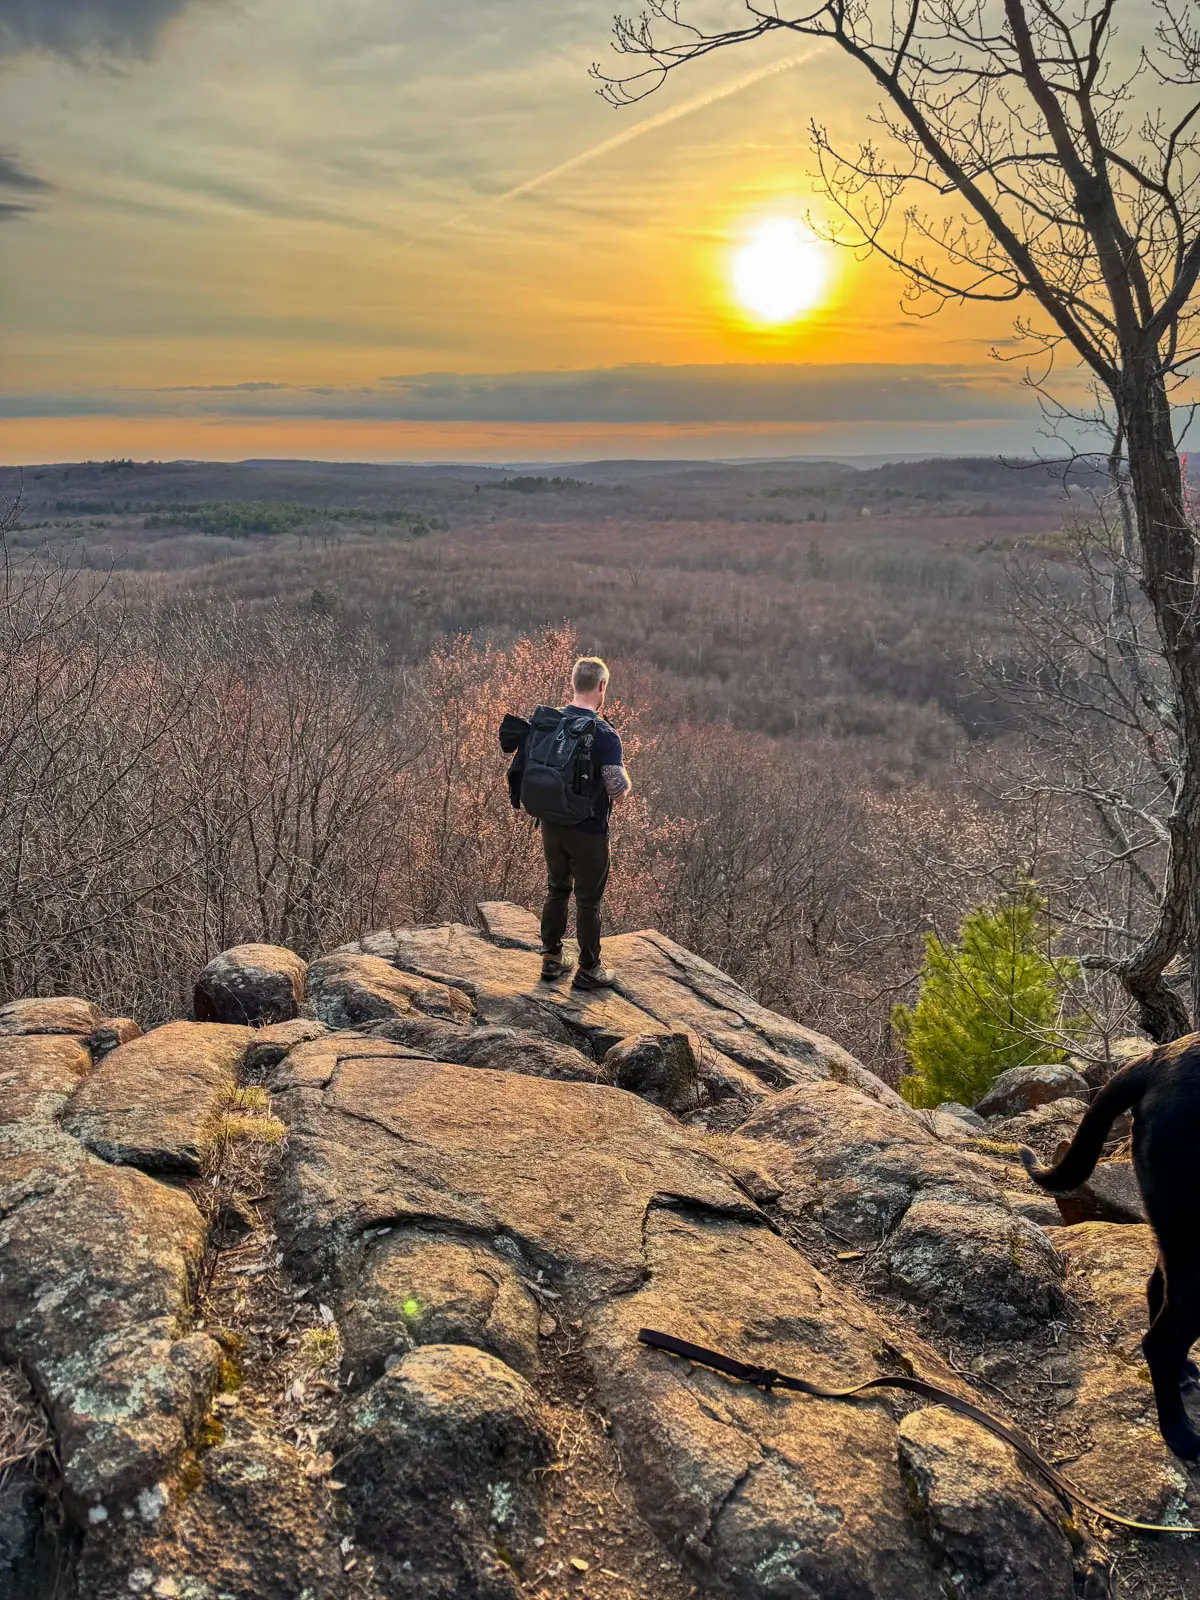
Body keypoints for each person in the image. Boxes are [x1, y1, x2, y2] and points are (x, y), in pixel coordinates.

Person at [506, 656, 631, 989]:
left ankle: (551, 958)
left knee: (557, 889)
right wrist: (624, 779)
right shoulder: (603, 733)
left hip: (550, 824)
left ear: (574, 683)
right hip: (588, 830)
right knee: (588, 900)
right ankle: (590, 968)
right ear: (601, 686)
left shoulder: (547, 723)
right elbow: (616, 787)